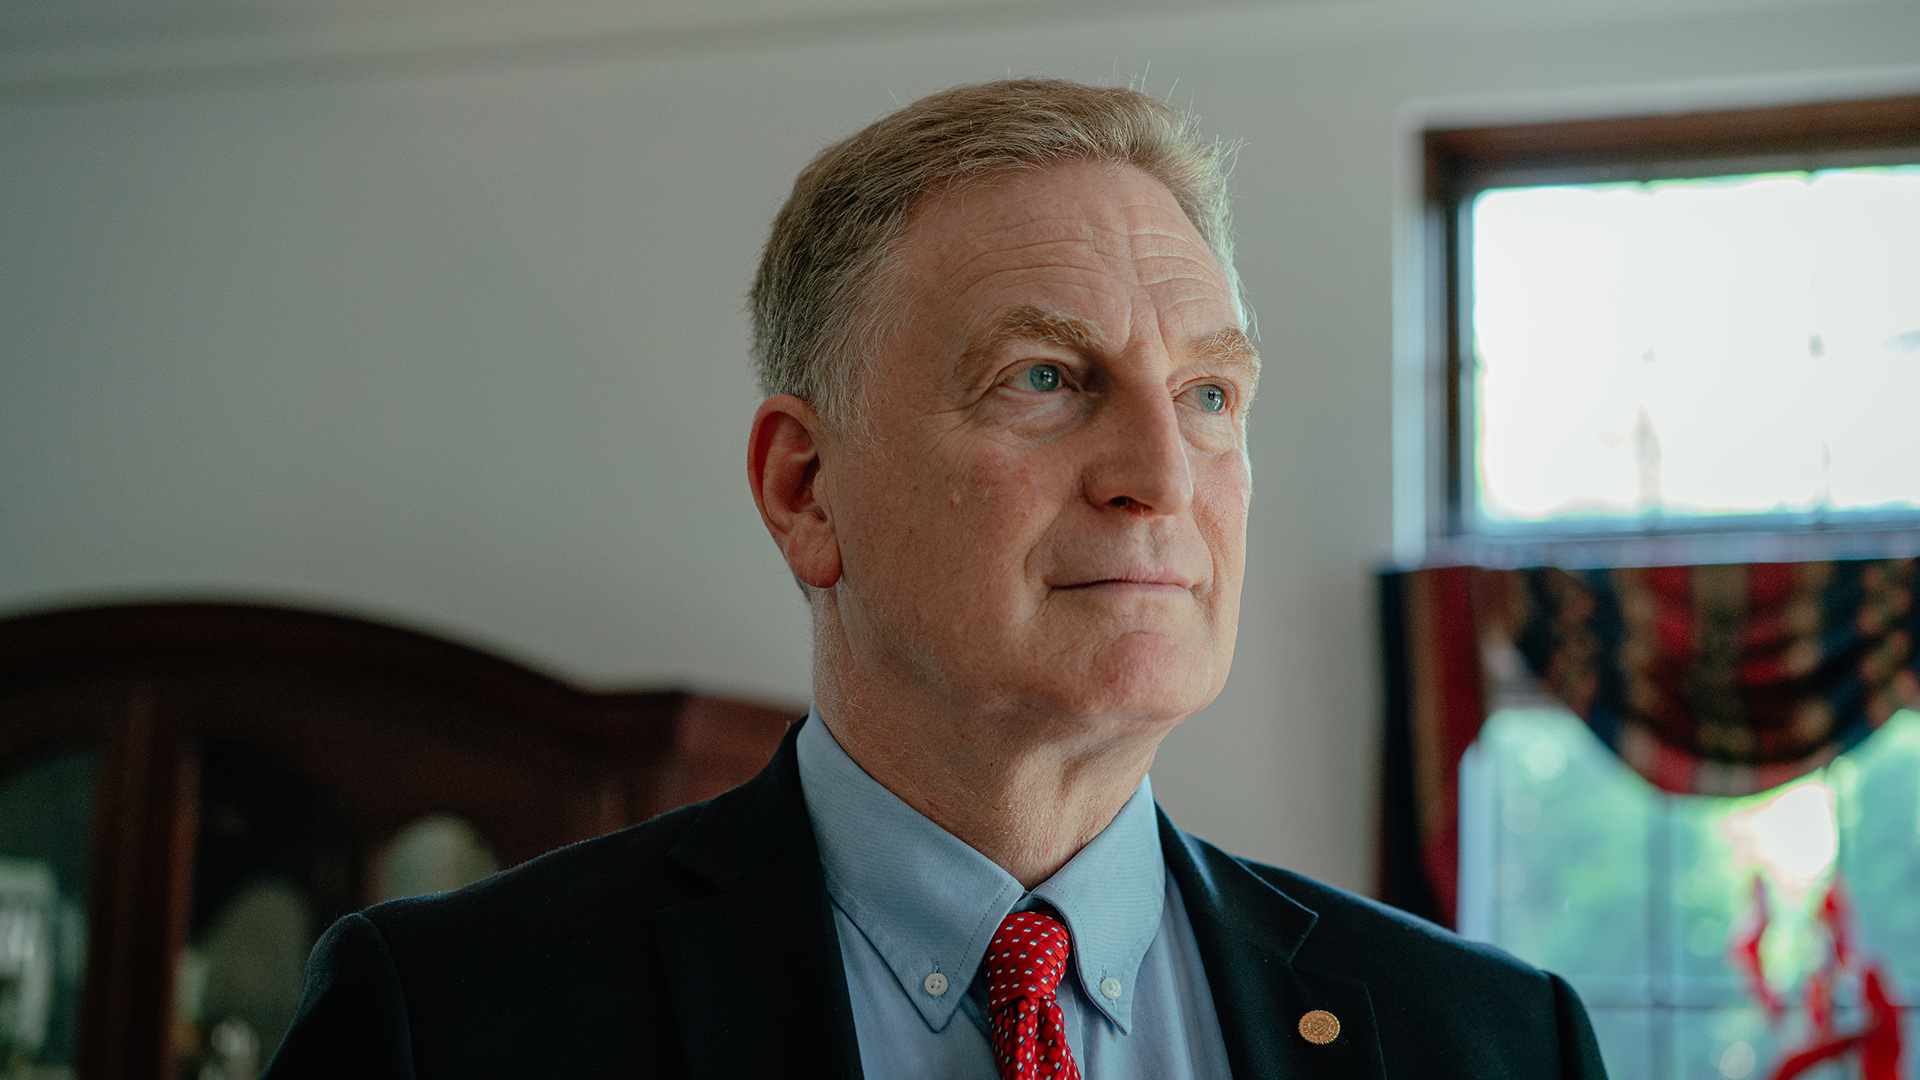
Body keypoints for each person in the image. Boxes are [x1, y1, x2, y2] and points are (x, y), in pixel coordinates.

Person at [264, 78, 1607, 1079]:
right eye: (1046, 378)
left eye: (1208, 392)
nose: (1162, 471)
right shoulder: (446, 1023)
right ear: (806, 489)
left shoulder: (1492, 1042)